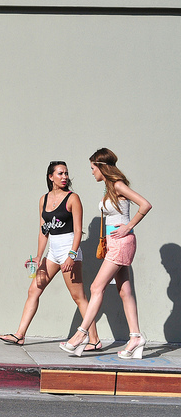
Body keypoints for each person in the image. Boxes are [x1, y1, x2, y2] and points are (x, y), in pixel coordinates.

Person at [0, 161, 101, 350]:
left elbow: (78, 231)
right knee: (33, 290)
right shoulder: (43, 200)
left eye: (66, 173)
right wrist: (38, 256)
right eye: (60, 173)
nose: (64, 177)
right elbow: (43, 231)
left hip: (70, 250)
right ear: (50, 176)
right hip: (53, 252)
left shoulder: (72, 198)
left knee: (79, 297)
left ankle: (94, 340)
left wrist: (71, 255)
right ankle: (19, 335)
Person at [60, 148, 151, 358]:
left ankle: (81, 335)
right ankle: (136, 337)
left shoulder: (118, 185)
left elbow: (145, 205)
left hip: (121, 242)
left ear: (101, 167)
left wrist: (128, 227)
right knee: (124, 291)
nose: (91, 172)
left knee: (96, 287)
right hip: (115, 243)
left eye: (93, 168)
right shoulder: (109, 188)